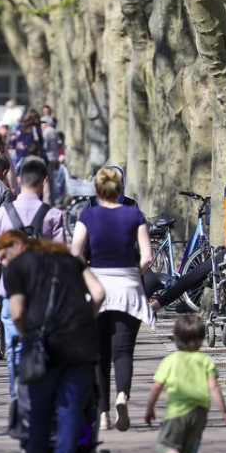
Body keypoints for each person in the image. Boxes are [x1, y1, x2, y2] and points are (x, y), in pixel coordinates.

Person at [0, 230, 105, 453]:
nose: (3, 263)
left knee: (40, 413)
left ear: (17, 244)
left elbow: (18, 311)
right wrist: (84, 321)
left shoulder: (18, 268)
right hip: (81, 346)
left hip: (44, 348)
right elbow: (99, 293)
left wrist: (26, 335)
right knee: (70, 412)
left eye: (3, 256)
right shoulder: (68, 258)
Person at [71, 166, 153, 432]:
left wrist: (88, 276)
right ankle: (122, 397)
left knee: (100, 354)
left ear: (96, 190)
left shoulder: (88, 215)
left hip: (97, 286)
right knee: (123, 350)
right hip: (128, 287)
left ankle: (103, 414)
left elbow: (76, 253)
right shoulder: (134, 214)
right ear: (120, 189)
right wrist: (132, 273)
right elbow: (148, 257)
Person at [0, 159, 64, 396]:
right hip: (43, 295)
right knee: (42, 346)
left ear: (19, 180)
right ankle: (39, 396)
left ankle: (17, 396)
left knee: (14, 348)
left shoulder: (0, 215)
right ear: (43, 182)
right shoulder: (53, 215)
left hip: (11, 292)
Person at [145, 315, 226, 453]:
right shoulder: (205, 361)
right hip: (200, 414)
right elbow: (213, 386)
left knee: (166, 444)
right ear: (201, 341)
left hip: (176, 412)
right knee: (189, 449)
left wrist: (149, 408)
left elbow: (157, 386)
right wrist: (223, 409)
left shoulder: (170, 360)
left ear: (176, 338)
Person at [41, 115, 60, 203]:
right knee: (51, 180)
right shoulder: (54, 131)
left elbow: (44, 146)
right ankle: (52, 199)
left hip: (48, 158)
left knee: (47, 180)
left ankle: (47, 200)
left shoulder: (46, 132)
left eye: (42, 123)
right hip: (54, 157)